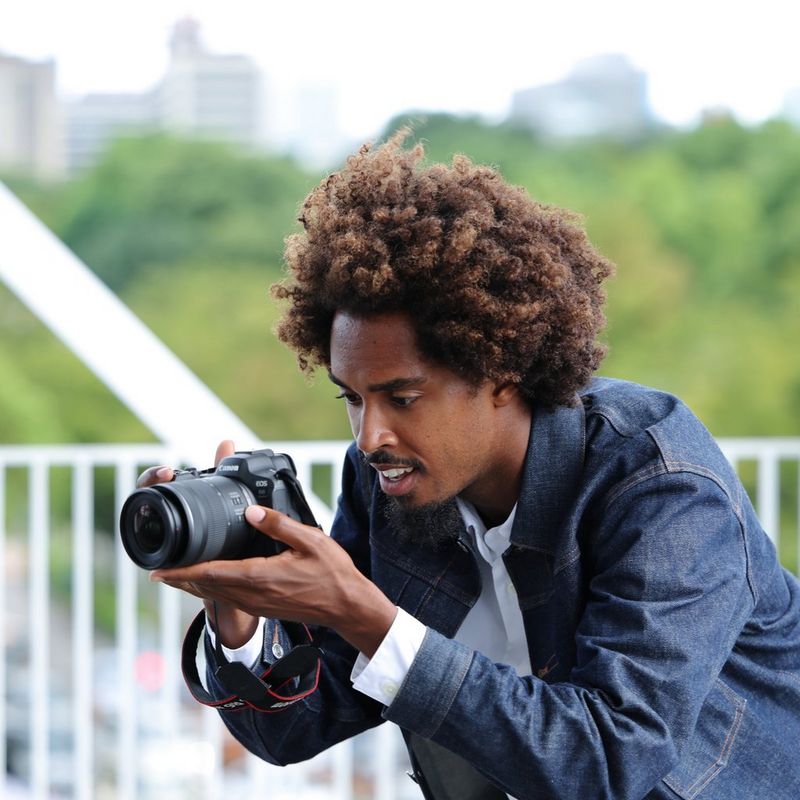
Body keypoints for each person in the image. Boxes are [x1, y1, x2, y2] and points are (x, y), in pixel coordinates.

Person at [144, 131, 800, 800]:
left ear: (502, 372)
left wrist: (368, 617)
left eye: (401, 397)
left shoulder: (659, 484)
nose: (370, 436)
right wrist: (241, 615)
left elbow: (607, 759)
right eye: (352, 399)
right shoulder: (387, 486)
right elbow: (294, 731)